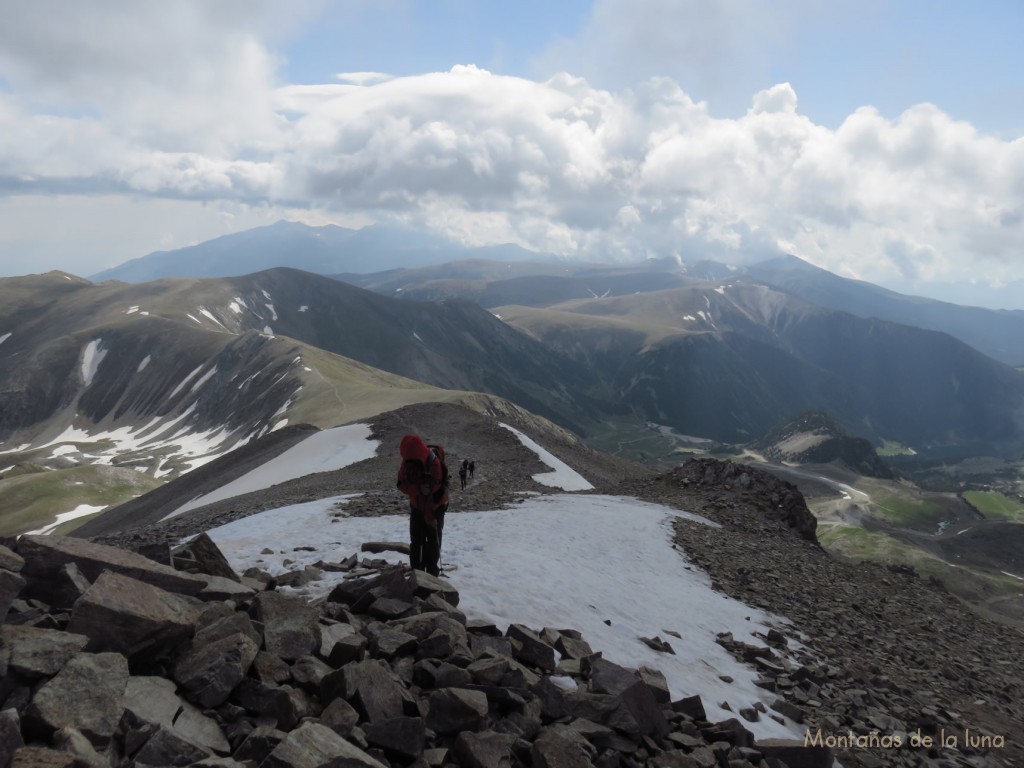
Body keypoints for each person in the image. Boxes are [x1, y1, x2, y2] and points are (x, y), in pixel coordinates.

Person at [396, 434, 449, 576]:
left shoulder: (434, 464)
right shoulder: (407, 462)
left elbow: (434, 494)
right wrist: (418, 489)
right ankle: (417, 572)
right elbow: (401, 484)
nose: (406, 461)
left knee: (432, 539)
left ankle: (431, 573)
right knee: (416, 539)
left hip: (436, 505)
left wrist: (430, 518)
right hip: (417, 505)